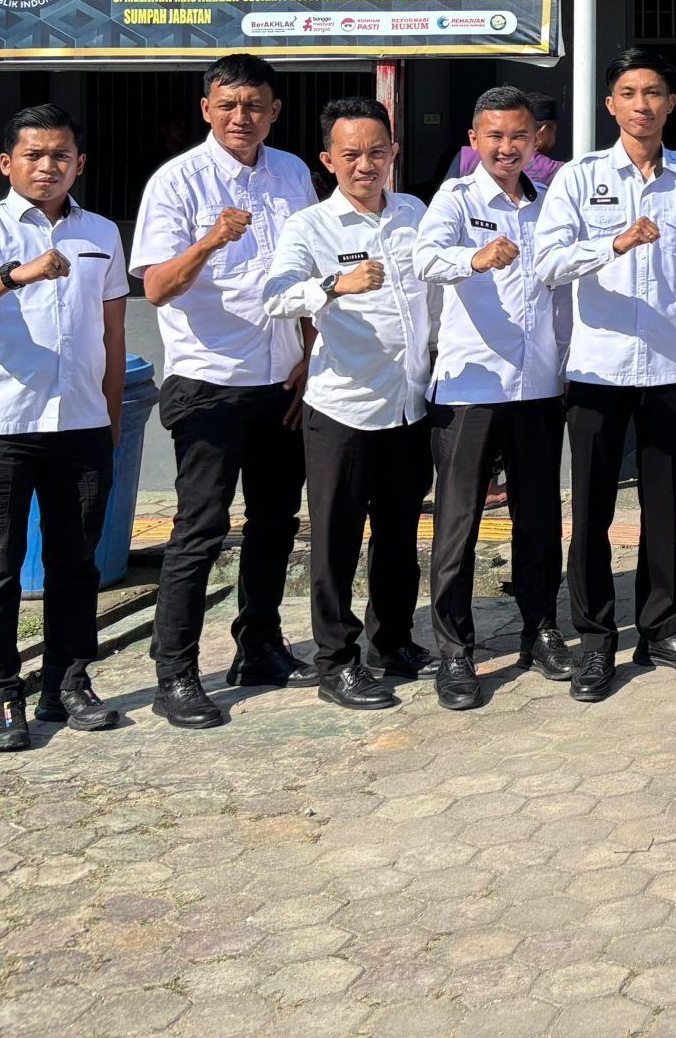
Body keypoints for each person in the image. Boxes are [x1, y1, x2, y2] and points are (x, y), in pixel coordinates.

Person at [0, 105, 129, 751]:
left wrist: (111, 420)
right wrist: (17, 274)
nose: (48, 166)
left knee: (76, 565)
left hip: (81, 426)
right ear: (7, 163)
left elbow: (114, 334)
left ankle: (67, 684)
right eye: (34, 155)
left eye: (60, 155)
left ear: (79, 163)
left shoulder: (100, 232)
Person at [132, 53, 320, 729]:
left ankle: (259, 647)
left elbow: (309, 272)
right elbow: (157, 286)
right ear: (207, 108)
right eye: (229, 104)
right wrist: (211, 239)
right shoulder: (177, 181)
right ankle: (175, 673)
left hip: (281, 380)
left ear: (275, 111)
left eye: (255, 105)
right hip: (209, 382)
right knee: (201, 529)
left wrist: (310, 355)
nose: (242, 117)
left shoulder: (293, 173)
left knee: (275, 523)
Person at [533, 49, 676, 703]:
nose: (642, 104)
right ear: (610, 104)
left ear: (670, 104)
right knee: (591, 510)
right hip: (597, 368)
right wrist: (611, 244)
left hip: (671, 365)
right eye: (629, 93)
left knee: (662, 507)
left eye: (653, 93)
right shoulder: (579, 178)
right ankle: (594, 640)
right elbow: (547, 264)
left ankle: (661, 628)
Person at [265, 99, 436, 712]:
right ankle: (336, 662)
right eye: (351, 154)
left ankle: (392, 642)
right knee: (336, 542)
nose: (365, 165)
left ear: (394, 153)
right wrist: (335, 285)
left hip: (408, 405)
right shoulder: (310, 226)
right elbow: (275, 296)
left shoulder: (414, 213)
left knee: (399, 534)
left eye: (376, 152)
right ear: (328, 160)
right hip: (343, 409)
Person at [416, 86, 572, 709]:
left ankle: (541, 630)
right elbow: (425, 259)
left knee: (539, 518)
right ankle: (455, 651)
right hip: (471, 387)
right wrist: (474, 258)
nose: (507, 148)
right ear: (474, 140)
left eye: (519, 136)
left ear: (537, 140)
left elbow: (563, 288)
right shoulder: (456, 198)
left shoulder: (550, 205)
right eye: (495, 136)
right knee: (458, 523)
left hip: (537, 385)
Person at [454, 89, 563, 188]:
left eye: (518, 136)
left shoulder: (465, 155)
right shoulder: (544, 167)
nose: (506, 150)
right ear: (542, 133)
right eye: (496, 136)